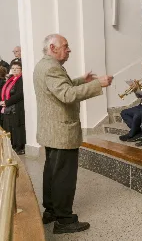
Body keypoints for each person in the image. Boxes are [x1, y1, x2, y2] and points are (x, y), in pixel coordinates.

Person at [33, 34, 113, 234]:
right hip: (61, 130)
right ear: (53, 47)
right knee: (63, 177)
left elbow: (61, 87)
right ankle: (64, 220)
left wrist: (81, 80)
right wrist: (97, 84)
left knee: (52, 172)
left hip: (52, 130)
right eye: (66, 46)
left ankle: (51, 210)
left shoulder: (44, 65)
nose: (69, 50)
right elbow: (67, 95)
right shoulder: (52, 68)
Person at [1, 62, 26, 154]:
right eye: (13, 68)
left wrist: (7, 102)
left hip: (17, 107)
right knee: (10, 127)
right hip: (8, 107)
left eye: (17, 68)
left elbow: (20, 94)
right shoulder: (10, 79)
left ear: (21, 70)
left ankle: (19, 147)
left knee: (17, 128)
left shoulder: (21, 80)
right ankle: (13, 146)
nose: (15, 70)